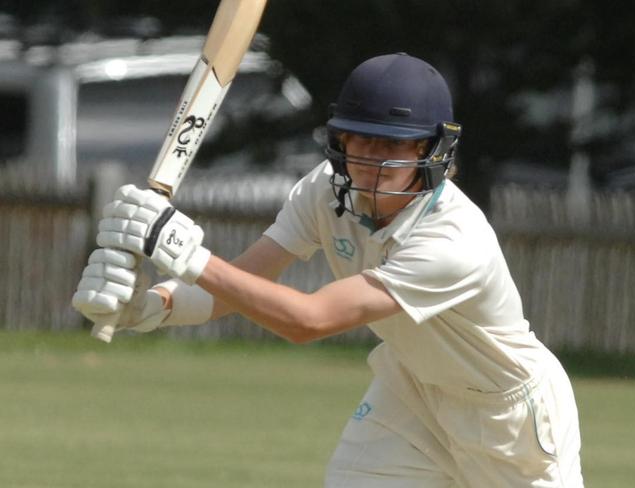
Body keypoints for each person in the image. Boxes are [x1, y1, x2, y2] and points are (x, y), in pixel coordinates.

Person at [73, 53, 584, 487]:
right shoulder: (325, 191)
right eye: (359, 141)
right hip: (411, 391)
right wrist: (155, 306)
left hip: (508, 416)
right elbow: (243, 283)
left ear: (432, 150)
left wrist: (187, 254)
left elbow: (309, 321)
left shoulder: (453, 239)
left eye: (391, 145)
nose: (369, 161)